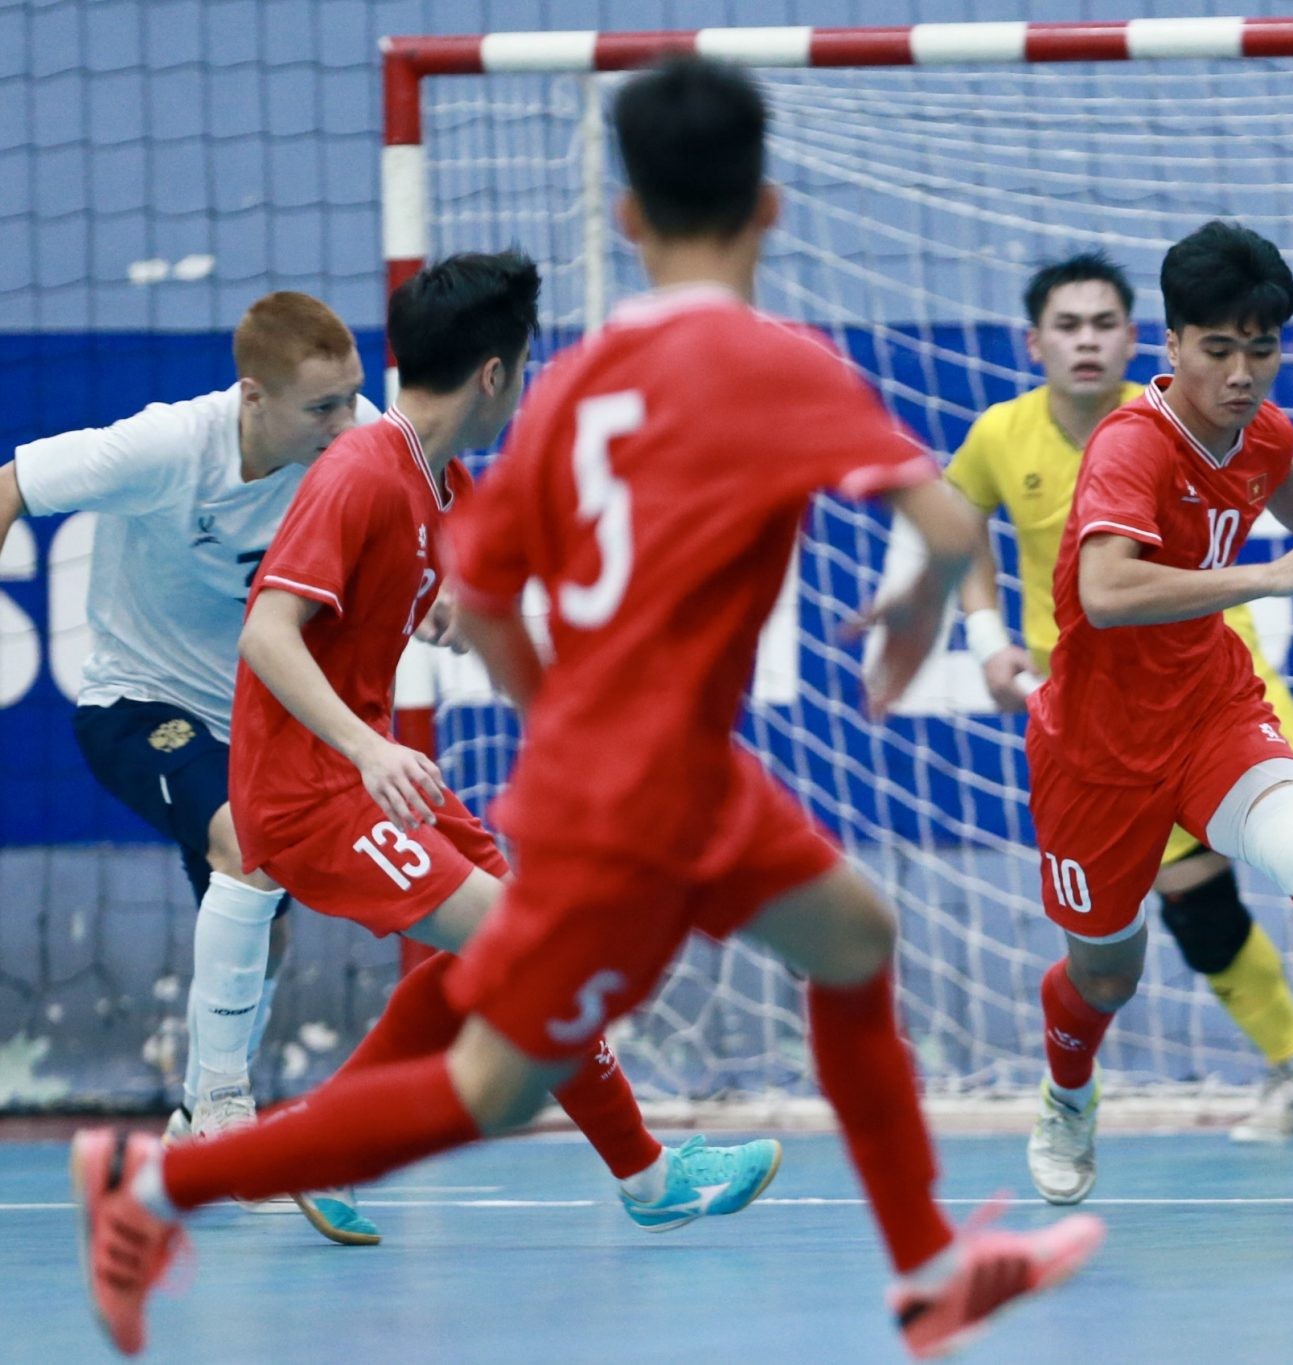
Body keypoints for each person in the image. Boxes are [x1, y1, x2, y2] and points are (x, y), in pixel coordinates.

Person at [71, 59, 1100, 1361]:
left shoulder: (575, 389)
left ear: (628, 222)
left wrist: (562, 714)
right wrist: (913, 618)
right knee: (492, 1083)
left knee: (853, 937)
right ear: (769, 211)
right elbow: (949, 521)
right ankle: (165, 1184)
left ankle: (928, 1270)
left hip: (666, 773)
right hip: (634, 793)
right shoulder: (776, 363)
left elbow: (488, 597)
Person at [948, 252, 1293, 1143]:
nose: (1240, 373)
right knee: (1111, 970)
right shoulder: (1124, 442)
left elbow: (1282, 464)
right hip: (1099, 744)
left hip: (1215, 702)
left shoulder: (1259, 425)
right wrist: (1272, 573)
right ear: (1175, 343)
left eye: (1260, 351)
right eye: (1218, 349)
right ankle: (1070, 1095)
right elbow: (1107, 594)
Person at [1, 293, 375, 1161]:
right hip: (137, 705)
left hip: (251, 727)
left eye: (353, 397)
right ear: (253, 397)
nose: (345, 422)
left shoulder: (355, 452)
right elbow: (12, 484)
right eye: (322, 406)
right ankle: (222, 1115)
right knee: (247, 848)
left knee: (265, 918)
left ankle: (191, 1121)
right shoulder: (168, 445)